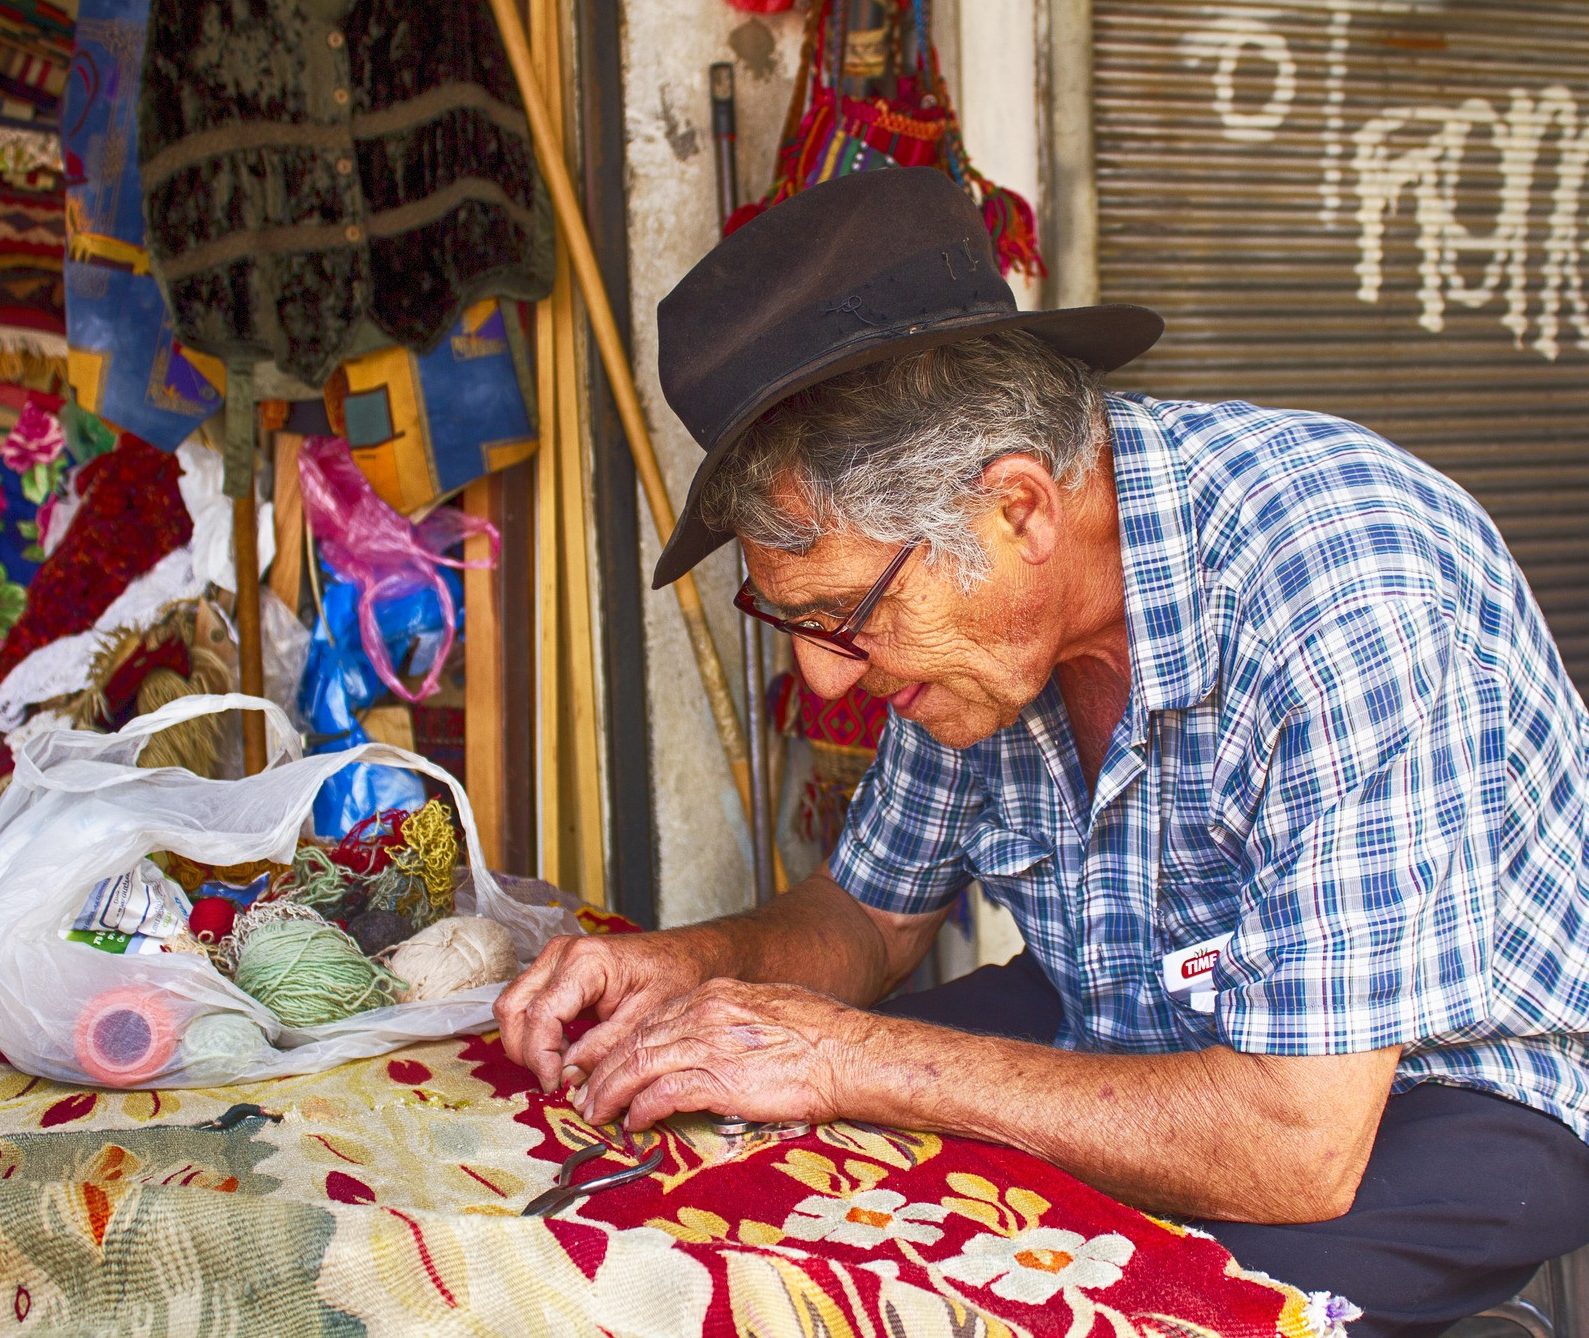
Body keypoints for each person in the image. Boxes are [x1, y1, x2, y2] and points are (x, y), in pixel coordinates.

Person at [495, 168, 1589, 1334]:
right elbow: (865, 920)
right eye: (795, 624)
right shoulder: (972, 641)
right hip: (1124, 1017)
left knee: (1014, 1298)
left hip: (1430, 1094)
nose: (824, 676)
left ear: (1015, 508)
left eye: (843, 615)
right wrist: (696, 966)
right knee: (738, 1179)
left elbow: (1293, 1146)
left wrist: (843, 1055)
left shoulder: (1340, 582)